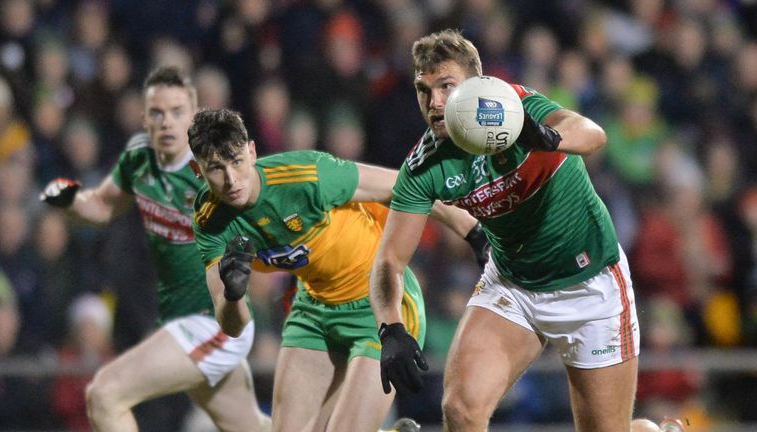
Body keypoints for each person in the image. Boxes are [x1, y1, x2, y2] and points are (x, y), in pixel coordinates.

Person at [368, 29, 682, 432]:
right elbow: (390, 261)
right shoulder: (425, 165)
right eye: (423, 90)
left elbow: (594, 135)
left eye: (446, 86)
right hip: (513, 285)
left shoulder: (513, 109)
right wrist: (391, 328)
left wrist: (550, 137)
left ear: (476, 86)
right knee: (461, 410)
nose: (435, 103)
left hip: (591, 285)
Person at [187, 108, 485, 432]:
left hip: (379, 302)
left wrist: (474, 233)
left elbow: (405, 187)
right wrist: (233, 294)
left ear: (253, 151)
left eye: (236, 161)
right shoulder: (208, 219)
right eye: (216, 168)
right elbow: (233, 325)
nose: (231, 179)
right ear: (197, 171)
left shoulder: (305, 176)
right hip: (313, 311)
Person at [39, 66, 270, 432]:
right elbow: (102, 206)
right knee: (253, 427)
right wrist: (68, 199)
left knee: (105, 394)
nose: (166, 122)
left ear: (195, 116)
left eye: (177, 112)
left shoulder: (214, 166)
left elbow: (262, 209)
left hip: (213, 320)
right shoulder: (139, 161)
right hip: (180, 319)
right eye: (158, 113)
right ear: (144, 117)